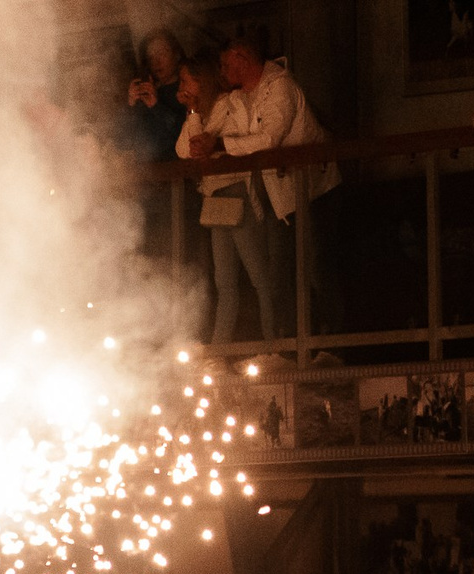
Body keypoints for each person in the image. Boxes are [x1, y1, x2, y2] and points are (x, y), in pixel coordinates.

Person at [194, 37, 341, 336]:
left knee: (316, 271)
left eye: (225, 64)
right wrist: (203, 131)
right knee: (279, 276)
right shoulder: (241, 97)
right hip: (278, 196)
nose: (222, 71)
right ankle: (287, 350)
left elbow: (269, 139)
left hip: (312, 191)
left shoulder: (280, 87)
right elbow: (204, 141)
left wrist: (220, 144)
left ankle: (333, 346)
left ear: (242, 59)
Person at [178, 55, 281, 347]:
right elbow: (183, 150)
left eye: (187, 80)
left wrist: (203, 129)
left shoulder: (229, 103)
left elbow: (205, 146)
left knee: (259, 275)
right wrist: (193, 112)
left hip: (236, 191)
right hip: (215, 197)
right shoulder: (201, 112)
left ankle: (275, 346)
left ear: (202, 81)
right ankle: (220, 348)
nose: (182, 86)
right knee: (224, 281)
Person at [125, 30, 188, 160]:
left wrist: (157, 106)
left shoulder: (187, 88)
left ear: (176, 55)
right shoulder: (144, 91)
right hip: (148, 172)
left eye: (162, 53)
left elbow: (187, 134)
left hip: (181, 169)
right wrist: (131, 105)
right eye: (151, 56)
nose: (156, 62)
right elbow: (124, 141)